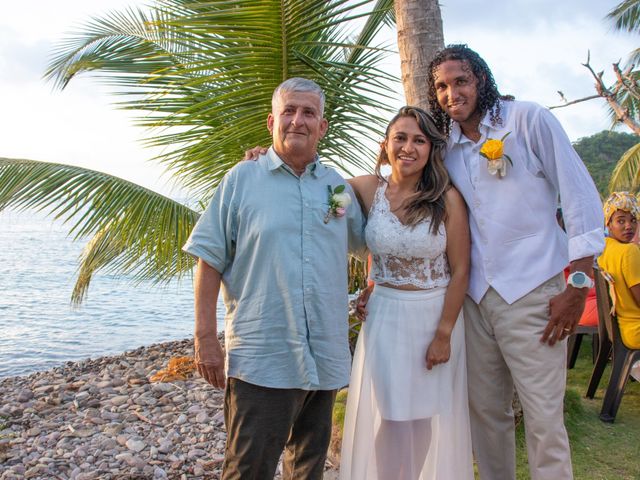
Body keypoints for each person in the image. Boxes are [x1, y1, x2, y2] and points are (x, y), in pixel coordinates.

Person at [426, 44, 604, 480]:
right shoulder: (443, 146)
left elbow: (579, 197)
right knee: (487, 417)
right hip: (473, 300)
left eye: (460, 81)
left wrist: (577, 286)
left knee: (544, 419)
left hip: (535, 295)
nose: (452, 93)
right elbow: (397, 174)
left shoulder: (527, 119)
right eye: (442, 86)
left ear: (480, 80)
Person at [182, 77, 366, 480]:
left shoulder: (334, 186)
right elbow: (208, 259)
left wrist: (371, 287)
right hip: (264, 358)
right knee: (249, 470)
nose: (297, 121)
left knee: (308, 470)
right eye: (289, 111)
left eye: (308, 113)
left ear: (323, 126)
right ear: (271, 121)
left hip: (325, 354)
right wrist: (205, 339)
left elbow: (368, 243)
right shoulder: (242, 180)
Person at [339, 106, 473, 479]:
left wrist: (444, 334)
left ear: (431, 149)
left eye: (419, 140)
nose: (408, 147)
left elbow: (461, 269)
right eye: (400, 138)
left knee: (419, 415)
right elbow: (319, 188)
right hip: (384, 315)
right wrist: (260, 156)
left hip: (433, 317)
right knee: (392, 413)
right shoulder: (367, 188)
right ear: (386, 144)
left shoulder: (447, 199)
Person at [598, 192, 640, 349]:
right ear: (608, 223)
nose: (629, 226)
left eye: (633, 220)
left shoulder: (604, 248)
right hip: (636, 329)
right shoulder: (630, 251)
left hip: (623, 329)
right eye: (620, 221)